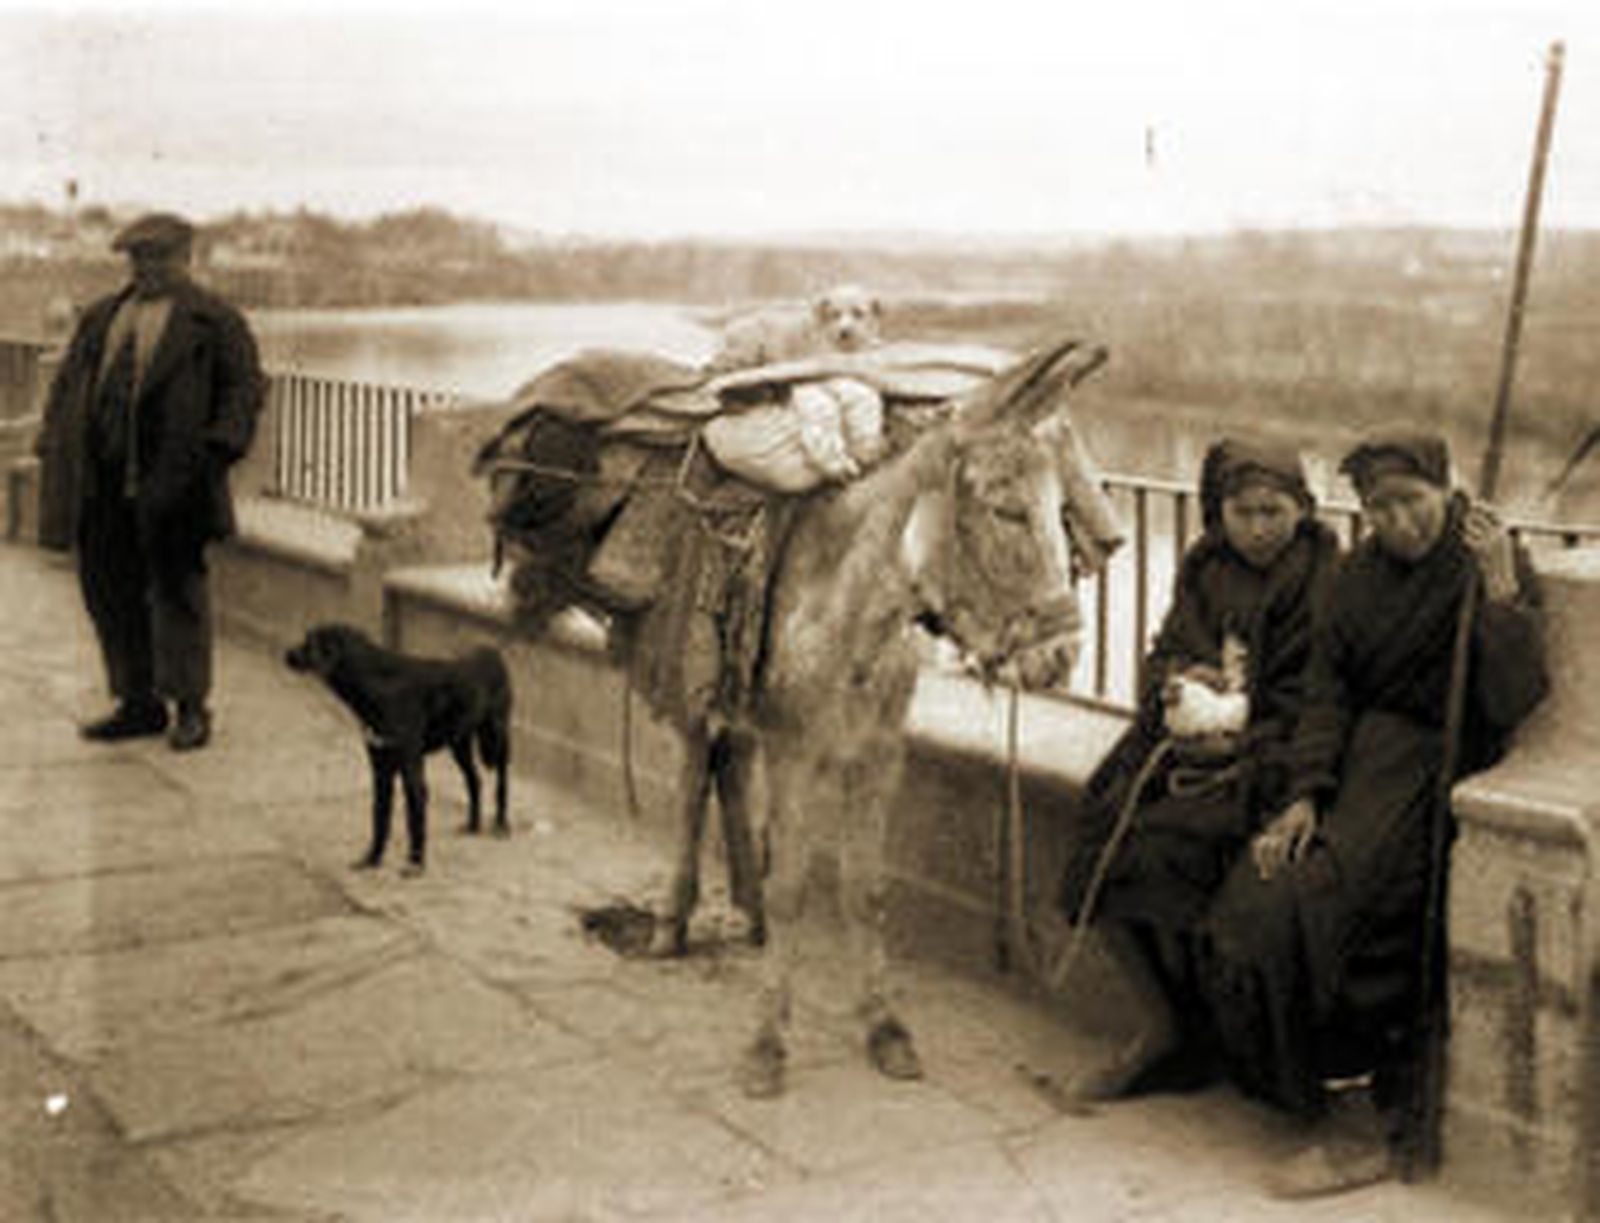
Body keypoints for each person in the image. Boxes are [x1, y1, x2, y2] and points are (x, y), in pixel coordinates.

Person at [1198, 430, 1548, 1198]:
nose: (1398, 521)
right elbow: (1327, 696)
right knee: (1259, 894)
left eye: (1412, 502)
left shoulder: (1486, 562)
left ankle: (1363, 1131)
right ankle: (1299, 1088)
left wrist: (1499, 593)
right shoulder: (1354, 577)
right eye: (1379, 506)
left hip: (1440, 762)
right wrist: (1303, 795)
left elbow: (1514, 696)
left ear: (1447, 492)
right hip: (1359, 766)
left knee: (1343, 909)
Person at [1056, 437, 1341, 1101]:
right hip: (1189, 743)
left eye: (1275, 510)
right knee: (1102, 826)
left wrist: (1240, 735)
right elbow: (1161, 654)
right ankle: (1161, 1022)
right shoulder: (1206, 564)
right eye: (1243, 512)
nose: (1259, 527)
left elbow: (1321, 697)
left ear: (1303, 507)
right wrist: (1182, 683)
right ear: (1220, 512)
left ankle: (1200, 1036)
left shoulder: (1323, 575)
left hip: (1272, 755)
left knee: (1172, 846)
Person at [38, 211, 264, 751]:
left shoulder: (215, 320)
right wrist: (55, 439)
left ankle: (190, 707)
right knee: (110, 593)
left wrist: (215, 455)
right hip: (102, 485)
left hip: (174, 484)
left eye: (160, 257)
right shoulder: (100, 317)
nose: (148, 268)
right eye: (139, 258)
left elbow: (243, 394)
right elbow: (68, 385)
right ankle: (138, 702)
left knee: (177, 594)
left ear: (187, 258)